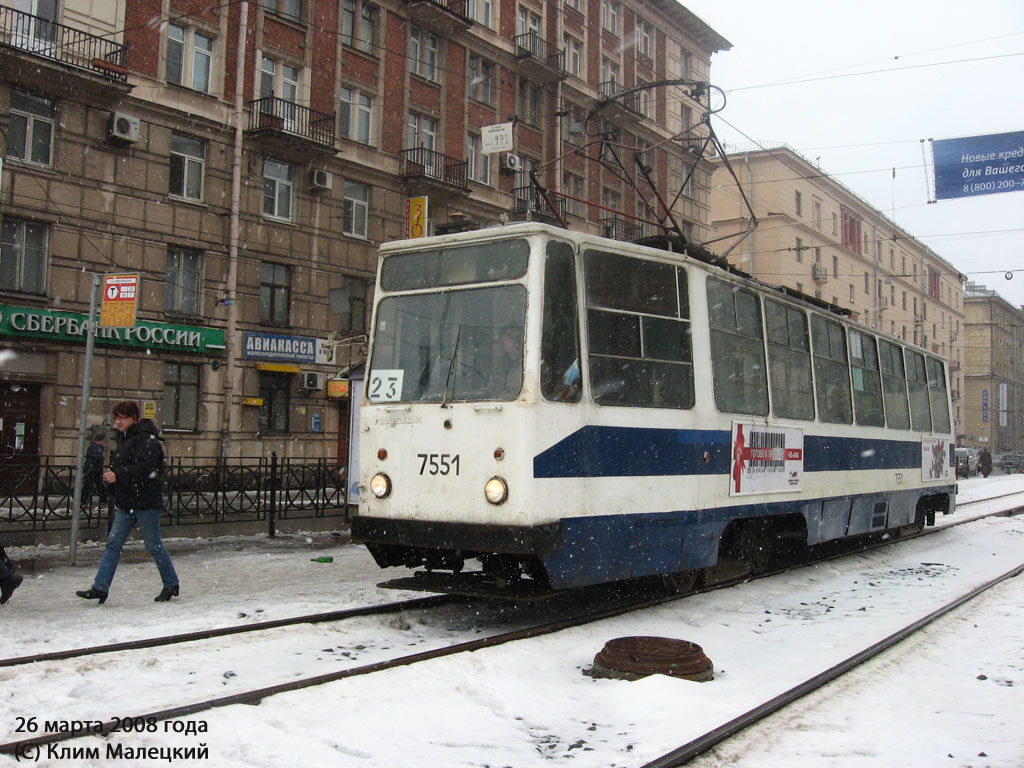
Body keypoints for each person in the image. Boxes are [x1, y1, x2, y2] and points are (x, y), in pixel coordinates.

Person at [76, 401, 179, 604]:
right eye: (117, 418)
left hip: (146, 502)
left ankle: (171, 583)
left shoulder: (146, 439)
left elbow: (146, 469)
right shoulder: (126, 439)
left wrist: (118, 475)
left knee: (154, 545)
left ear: (134, 418)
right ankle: (100, 587)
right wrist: (113, 479)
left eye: (123, 417)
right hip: (127, 502)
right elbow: (129, 468)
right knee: (113, 544)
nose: (118, 422)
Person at [82, 429, 107, 509]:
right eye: (103, 441)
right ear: (101, 440)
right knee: (98, 485)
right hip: (94, 470)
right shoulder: (96, 448)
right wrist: (95, 468)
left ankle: (84, 499)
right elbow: (96, 459)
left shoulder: (93, 447)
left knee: (89, 485)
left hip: (92, 469)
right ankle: (103, 499)